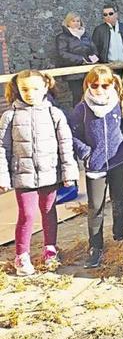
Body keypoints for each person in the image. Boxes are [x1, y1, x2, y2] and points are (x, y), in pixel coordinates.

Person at [0, 70, 79, 276]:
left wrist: (69, 172)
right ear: (18, 90)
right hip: (23, 176)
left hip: (49, 174)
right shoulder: (10, 116)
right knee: (26, 214)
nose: (30, 93)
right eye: (25, 89)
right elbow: (2, 148)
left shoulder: (54, 114)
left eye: (35, 89)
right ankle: (22, 255)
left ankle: (50, 249)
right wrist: (3, 176)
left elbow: (65, 145)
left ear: (45, 87)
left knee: (49, 210)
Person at [69, 66, 123, 269]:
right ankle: (95, 246)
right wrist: (86, 153)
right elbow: (72, 134)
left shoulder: (120, 105)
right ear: (88, 84)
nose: (99, 89)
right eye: (94, 85)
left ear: (112, 84)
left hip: (118, 160)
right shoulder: (82, 109)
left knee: (119, 200)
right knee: (95, 206)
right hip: (95, 164)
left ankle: (119, 236)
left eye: (104, 85)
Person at [56, 12, 99, 106]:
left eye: (78, 21)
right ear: (68, 22)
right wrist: (80, 59)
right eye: (73, 21)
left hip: (88, 70)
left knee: (91, 93)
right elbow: (62, 53)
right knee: (78, 96)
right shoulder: (62, 37)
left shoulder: (86, 36)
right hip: (73, 72)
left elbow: (93, 49)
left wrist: (94, 57)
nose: (76, 23)